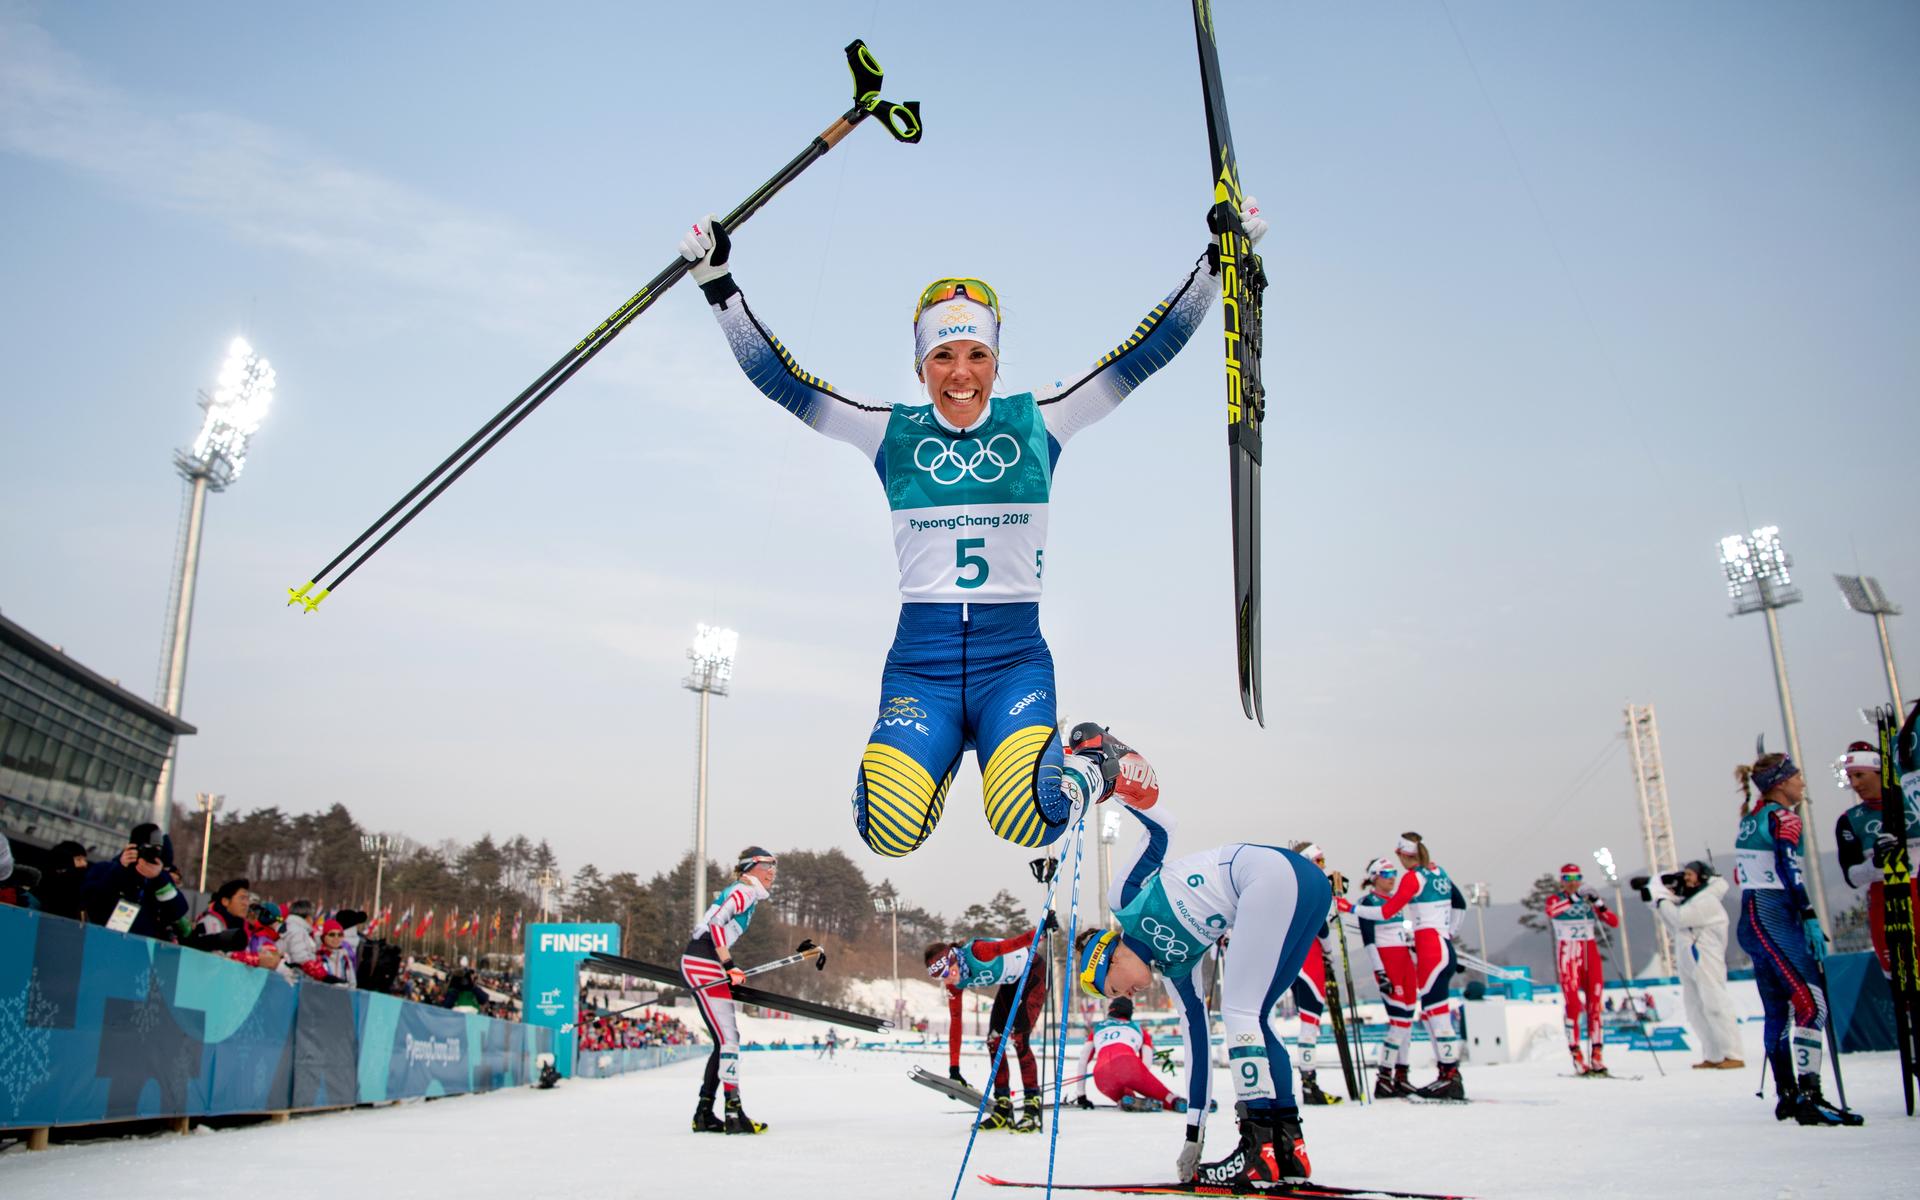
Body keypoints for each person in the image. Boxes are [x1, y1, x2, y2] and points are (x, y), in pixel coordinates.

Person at [677, 200, 1264, 861]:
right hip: (920, 670)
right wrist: (717, 284)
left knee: (1027, 817)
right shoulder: (889, 430)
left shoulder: (1043, 420)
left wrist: (1214, 270)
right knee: (885, 828)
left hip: (1009, 664)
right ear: (921, 364)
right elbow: (782, 381)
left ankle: (1095, 762)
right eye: (943, 356)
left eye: (977, 355)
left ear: (996, 359)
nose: (961, 374)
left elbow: (1141, 353)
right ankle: (933, 760)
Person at [1070, 722, 1330, 1188]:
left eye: (1114, 985)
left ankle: (1258, 1147)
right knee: (1258, 1017)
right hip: (1308, 885)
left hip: (1266, 874)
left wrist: (1114, 778)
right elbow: (1198, 1051)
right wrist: (1194, 1134)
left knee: (1241, 1010)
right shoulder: (1178, 971)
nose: (1126, 993)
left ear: (1108, 956)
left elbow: (1163, 830)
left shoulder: (1124, 901)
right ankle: (1287, 1147)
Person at [1733, 748, 1862, 1126]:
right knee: (1812, 1004)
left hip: (1754, 915)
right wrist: (1806, 913)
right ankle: (1809, 1095)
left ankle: (1788, 1094)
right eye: (1798, 776)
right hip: (1774, 915)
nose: (1803, 782)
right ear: (1781, 783)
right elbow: (1790, 868)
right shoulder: (1783, 817)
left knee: (1779, 1011)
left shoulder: (1753, 816)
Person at [924, 913, 1058, 1132]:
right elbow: (955, 1022)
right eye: (941, 977)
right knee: (994, 1041)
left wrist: (1040, 932)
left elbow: (1012, 944)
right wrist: (954, 1068)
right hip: (1011, 982)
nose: (949, 979)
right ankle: (1003, 1106)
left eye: (950, 971)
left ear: (954, 958)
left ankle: (1032, 1106)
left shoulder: (978, 952)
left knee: (1019, 1039)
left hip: (1033, 974)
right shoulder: (953, 985)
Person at [682, 847, 779, 1135]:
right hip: (704, 960)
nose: (773, 872)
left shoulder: (747, 891)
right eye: (768, 866)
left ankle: (704, 1112)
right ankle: (733, 1111)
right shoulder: (745, 890)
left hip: (704, 959)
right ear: (751, 867)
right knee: (729, 1039)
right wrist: (729, 964)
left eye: (776, 867)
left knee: (723, 1041)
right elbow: (715, 924)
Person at [1374, 833, 1465, 1098]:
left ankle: (1450, 1075)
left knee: (1436, 1016)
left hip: (1431, 950)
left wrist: (1350, 908)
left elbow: (1387, 911)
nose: (1393, 874)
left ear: (1403, 855)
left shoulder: (1414, 877)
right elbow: (1459, 902)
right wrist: (1450, 931)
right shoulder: (1438, 871)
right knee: (1430, 1015)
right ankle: (1446, 1073)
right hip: (1438, 945)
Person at [1833, 739, 1920, 981]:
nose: (1854, 784)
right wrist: (1875, 865)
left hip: (1916, 889)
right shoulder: (1850, 820)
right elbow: (1851, 876)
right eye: (1850, 777)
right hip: (1885, 900)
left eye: (1860, 775)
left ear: (1879, 772)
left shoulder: (1913, 800)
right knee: (1900, 979)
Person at [1640, 862, 1742, 1069]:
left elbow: (1680, 918)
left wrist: (1661, 899)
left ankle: (1733, 1053)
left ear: (1702, 877)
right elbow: (1674, 926)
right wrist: (1661, 902)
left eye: (1689, 874)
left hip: (1705, 956)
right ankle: (1713, 1054)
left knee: (1715, 1004)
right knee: (1695, 1009)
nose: (1685, 879)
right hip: (1689, 959)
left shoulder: (1708, 900)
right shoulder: (1691, 900)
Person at [1283, 842, 1348, 1106]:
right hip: (1309, 963)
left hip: (1296, 962)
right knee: (1310, 1026)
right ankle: (1309, 1085)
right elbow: (1321, 927)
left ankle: (1308, 1082)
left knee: (1309, 1025)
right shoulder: (1311, 887)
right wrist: (1330, 953)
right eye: (1319, 861)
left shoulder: (1293, 885)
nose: (1323, 865)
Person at [1544, 862, 1620, 1076]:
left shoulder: (1587, 901)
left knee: (1595, 1005)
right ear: (1562, 881)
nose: (1573, 883)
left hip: (1589, 951)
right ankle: (1576, 1054)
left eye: (1577, 878)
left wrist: (1599, 902)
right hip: (1568, 953)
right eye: (1568, 879)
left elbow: (1613, 922)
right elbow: (1552, 911)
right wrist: (1573, 899)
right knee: (1574, 1005)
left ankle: (1597, 1056)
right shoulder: (1557, 899)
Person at [1355, 857, 1418, 1098]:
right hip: (1388, 963)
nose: (1392, 877)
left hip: (1405, 962)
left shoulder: (1397, 902)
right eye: (1386, 873)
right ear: (1374, 877)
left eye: (1394, 873)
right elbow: (1369, 942)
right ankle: (1384, 1076)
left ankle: (1401, 1076)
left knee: (1408, 1024)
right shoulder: (1368, 903)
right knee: (1399, 1023)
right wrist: (1380, 972)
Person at [80, 823, 191, 941]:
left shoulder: (159, 879)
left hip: (142, 947)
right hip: (105, 941)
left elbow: (178, 912)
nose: (151, 856)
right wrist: (120, 869)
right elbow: (91, 902)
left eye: (157, 851)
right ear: (133, 848)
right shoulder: (106, 869)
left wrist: (160, 879)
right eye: (148, 849)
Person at [1073, 995, 1185, 1112]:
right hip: (1129, 1065)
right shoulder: (1139, 1029)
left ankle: (1127, 1099)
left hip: (1101, 1075)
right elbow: (1146, 1063)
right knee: (1166, 1096)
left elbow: (1083, 1060)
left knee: (1125, 1096)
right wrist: (1140, 1083)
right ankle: (1174, 1101)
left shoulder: (1097, 1028)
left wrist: (1081, 1095)